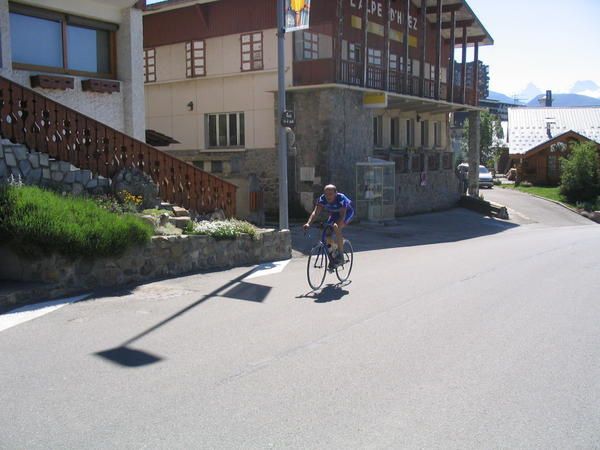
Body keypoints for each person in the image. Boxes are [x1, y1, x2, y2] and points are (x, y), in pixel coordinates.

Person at [303, 185, 354, 266]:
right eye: (326, 194)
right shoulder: (322, 199)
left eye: (330, 194)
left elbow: (342, 215)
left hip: (346, 213)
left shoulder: (341, 198)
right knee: (327, 233)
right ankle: (333, 252)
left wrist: (337, 226)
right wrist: (308, 223)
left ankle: (341, 257)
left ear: (335, 193)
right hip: (334, 214)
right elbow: (315, 212)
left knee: (336, 228)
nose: (328, 196)